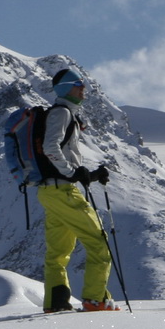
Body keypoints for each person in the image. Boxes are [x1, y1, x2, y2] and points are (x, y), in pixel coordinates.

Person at [38, 68, 119, 313]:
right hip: (63, 191)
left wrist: (88, 175)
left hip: (50, 191)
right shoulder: (62, 113)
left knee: (57, 253)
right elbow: (50, 147)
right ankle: (96, 300)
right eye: (77, 83)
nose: (83, 87)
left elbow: (59, 156)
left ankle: (56, 303)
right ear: (65, 88)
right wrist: (71, 172)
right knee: (98, 243)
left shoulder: (64, 113)